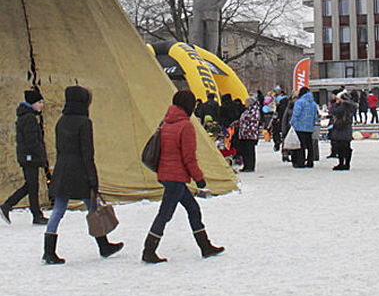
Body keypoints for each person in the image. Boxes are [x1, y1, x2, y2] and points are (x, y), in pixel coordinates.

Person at [43, 86, 123, 264]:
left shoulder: (61, 121)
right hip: (80, 170)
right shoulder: (84, 122)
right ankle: (103, 244)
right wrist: (93, 178)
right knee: (92, 206)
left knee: (58, 210)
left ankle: (48, 250)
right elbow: (87, 153)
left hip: (62, 169)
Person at [142, 90, 224, 264]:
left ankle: (205, 246)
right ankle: (149, 250)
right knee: (165, 214)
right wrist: (199, 178)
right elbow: (189, 157)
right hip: (176, 176)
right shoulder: (186, 126)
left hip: (166, 173)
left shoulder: (166, 122)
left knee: (193, 208)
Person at [1, 90, 50, 225]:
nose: (42, 105)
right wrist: (39, 155)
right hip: (30, 157)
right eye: (39, 102)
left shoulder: (25, 116)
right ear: (32, 104)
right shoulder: (29, 118)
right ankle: (33, 214)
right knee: (32, 186)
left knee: (31, 185)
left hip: (28, 157)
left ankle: (10, 206)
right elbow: (31, 141)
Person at [290, 87, 318, 168]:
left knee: (300, 145)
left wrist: (292, 123)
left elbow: (296, 114)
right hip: (309, 127)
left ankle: (300, 162)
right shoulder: (313, 103)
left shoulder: (300, 102)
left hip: (300, 127)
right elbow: (315, 116)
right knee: (309, 145)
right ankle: (310, 162)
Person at [329, 91, 357, 170]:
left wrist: (336, 104)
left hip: (341, 128)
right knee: (346, 146)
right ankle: (346, 163)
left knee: (340, 146)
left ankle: (342, 163)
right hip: (346, 128)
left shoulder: (343, 106)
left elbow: (334, 111)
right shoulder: (351, 106)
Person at [234, 97, 260, 172]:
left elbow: (252, 122)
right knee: (245, 150)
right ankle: (246, 165)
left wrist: (246, 128)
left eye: (246, 102)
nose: (245, 104)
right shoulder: (247, 110)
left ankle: (250, 166)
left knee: (249, 151)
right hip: (244, 134)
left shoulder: (254, 111)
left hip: (250, 134)